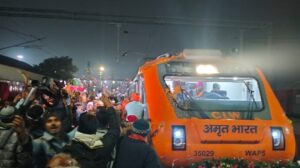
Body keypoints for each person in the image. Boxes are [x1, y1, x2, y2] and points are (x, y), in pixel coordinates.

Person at [63, 94, 120, 168]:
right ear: (96, 127)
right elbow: (115, 129)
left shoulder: (70, 149)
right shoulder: (104, 144)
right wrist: (109, 106)